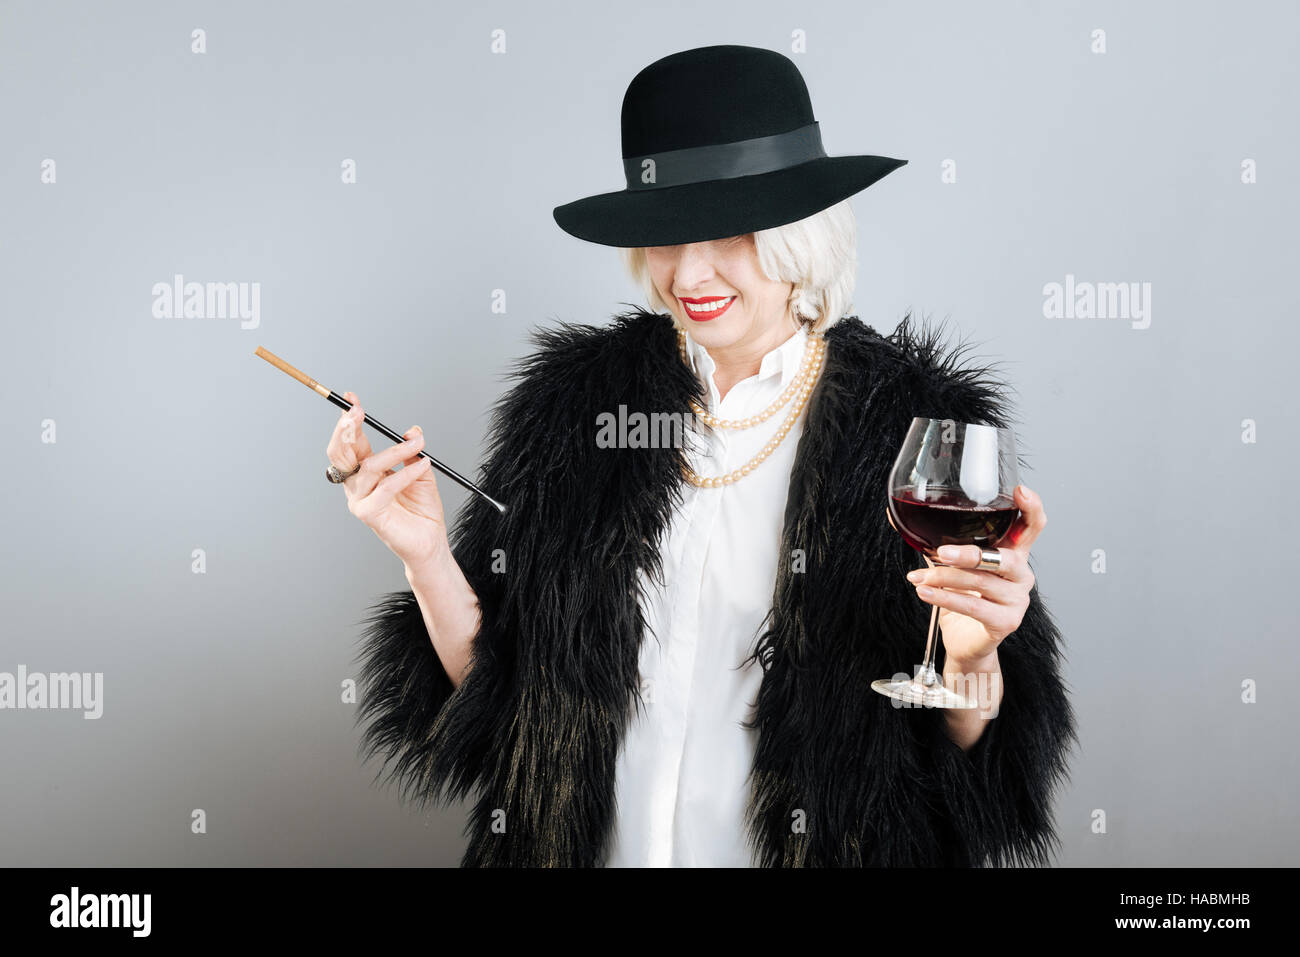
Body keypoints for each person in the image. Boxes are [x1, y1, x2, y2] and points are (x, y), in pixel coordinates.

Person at [325, 44, 1076, 867]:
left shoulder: (915, 429)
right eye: (667, 235)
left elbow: (983, 794)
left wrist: (972, 657)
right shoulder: (574, 409)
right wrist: (428, 556)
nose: (691, 271)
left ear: (800, 232)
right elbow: (499, 718)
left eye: (730, 231)